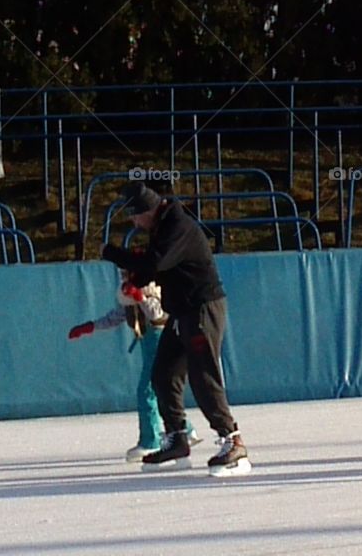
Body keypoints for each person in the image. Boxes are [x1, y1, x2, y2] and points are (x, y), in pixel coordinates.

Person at [101, 180, 251, 477]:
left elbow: (155, 264)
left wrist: (115, 255)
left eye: (134, 216)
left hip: (202, 309)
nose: (133, 222)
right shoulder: (162, 227)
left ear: (146, 211)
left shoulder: (177, 225)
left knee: (202, 374)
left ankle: (233, 442)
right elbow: (153, 270)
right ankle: (177, 439)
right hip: (182, 312)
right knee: (164, 374)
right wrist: (135, 280)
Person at [68, 271, 200, 462]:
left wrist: (141, 296)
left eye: (128, 273)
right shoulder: (128, 296)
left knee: (147, 391)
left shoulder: (154, 288)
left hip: (161, 339)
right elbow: (117, 316)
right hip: (148, 341)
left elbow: (157, 313)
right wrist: (90, 327)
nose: (124, 278)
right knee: (159, 390)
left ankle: (151, 440)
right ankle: (184, 429)